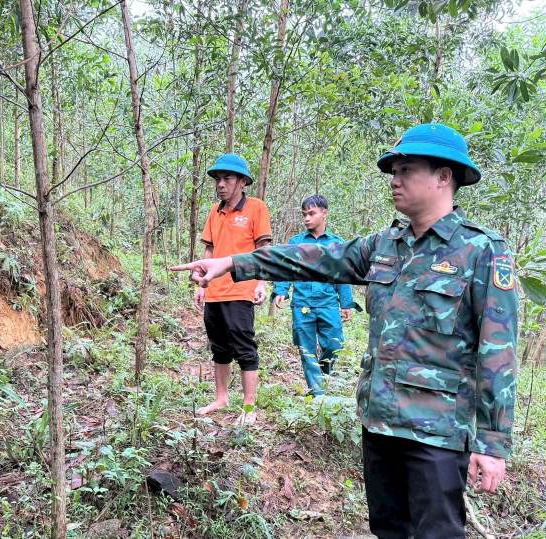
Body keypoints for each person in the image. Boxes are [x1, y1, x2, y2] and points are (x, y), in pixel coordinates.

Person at [173, 124, 517, 537]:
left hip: (437, 433)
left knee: (437, 533)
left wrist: (492, 445)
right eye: (394, 170)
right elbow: (313, 258)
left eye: (406, 169)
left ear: (444, 176)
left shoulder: (482, 251)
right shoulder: (385, 246)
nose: (395, 179)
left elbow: (498, 355)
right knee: (388, 528)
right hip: (379, 422)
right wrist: (233, 264)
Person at [195, 153, 272, 425]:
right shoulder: (214, 212)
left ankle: (249, 407)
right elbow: (210, 249)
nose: (221, 184)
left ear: (242, 181)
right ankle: (221, 397)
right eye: (218, 179)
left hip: (241, 290)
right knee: (218, 347)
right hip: (214, 290)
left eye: (227, 178)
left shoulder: (256, 208)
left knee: (244, 347)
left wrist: (261, 282)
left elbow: (264, 249)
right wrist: (202, 282)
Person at [272, 195, 354, 395]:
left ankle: (322, 377)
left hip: (328, 304)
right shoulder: (296, 242)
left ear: (324, 213)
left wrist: (346, 303)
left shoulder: (336, 243)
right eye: (304, 215)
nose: (306, 218)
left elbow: (342, 275)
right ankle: (317, 392)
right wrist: (281, 290)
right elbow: (286, 269)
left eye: (311, 214)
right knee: (306, 348)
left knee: (334, 345)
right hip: (302, 304)